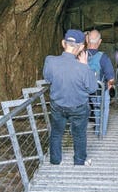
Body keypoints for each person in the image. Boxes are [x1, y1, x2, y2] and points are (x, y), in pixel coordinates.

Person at [42, 29, 99, 166]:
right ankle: (79, 161)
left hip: (57, 106)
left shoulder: (50, 61)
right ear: (81, 47)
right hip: (78, 107)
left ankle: (55, 161)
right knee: (79, 135)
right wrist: (86, 66)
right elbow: (92, 88)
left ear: (63, 43)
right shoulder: (83, 68)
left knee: (56, 133)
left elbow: (48, 78)